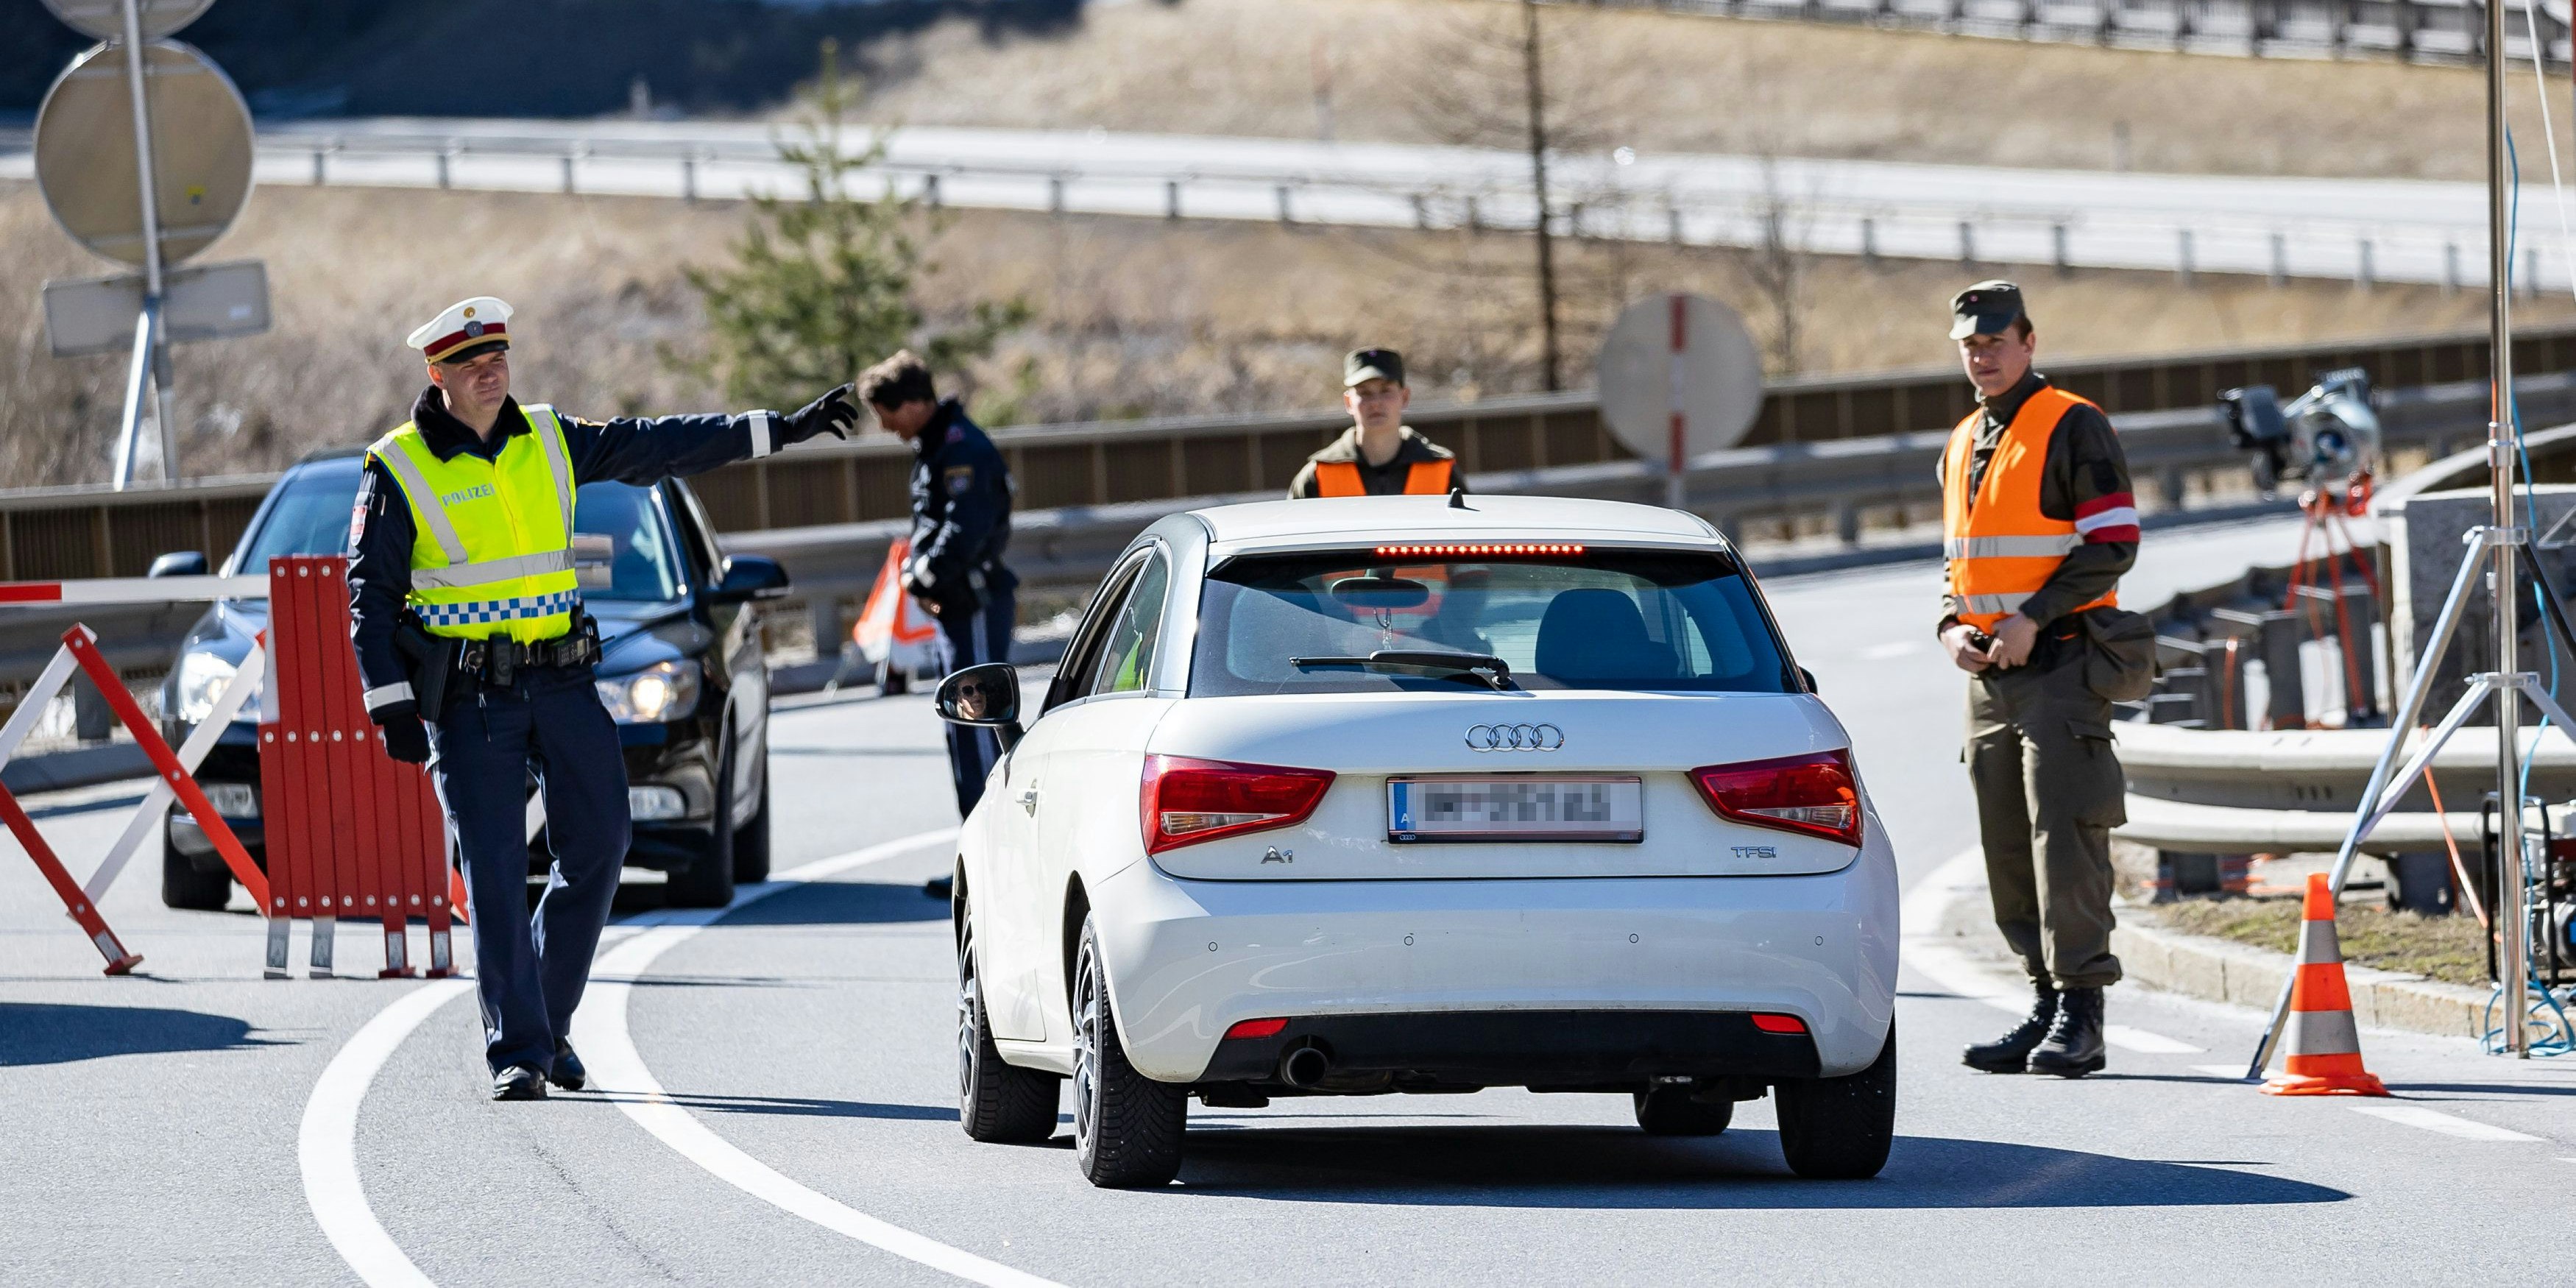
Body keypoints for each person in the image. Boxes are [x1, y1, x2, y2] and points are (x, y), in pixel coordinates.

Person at [349, 296, 856, 1101]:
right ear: (436, 373)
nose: (491, 374)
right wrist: (391, 706)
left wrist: (778, 428)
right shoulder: (398, 465)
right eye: (473, 365)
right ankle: (518, 1050)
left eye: (500, 359)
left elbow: (661, 444)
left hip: (562, 680)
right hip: (471, 699)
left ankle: (547, 1025)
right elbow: (370, 599)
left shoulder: (548, 436)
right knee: (492, 870)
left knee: (601, 845)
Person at [1935, 281, 2139, 1080]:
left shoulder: (2071, 424)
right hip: (1987, 670)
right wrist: (1949, 623)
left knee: (2067, 839)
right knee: (2006, 844)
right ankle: (2043, 1003)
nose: (1980, 356)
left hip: (2060, 659)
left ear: (2027, 342)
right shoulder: (1960, 439)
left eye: (1994, 341)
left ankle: (2082, 1014)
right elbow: (1957, 560)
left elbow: (2113, 542)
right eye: (1968, 345)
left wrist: (2032, 616)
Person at [858, 350, 1016, 818]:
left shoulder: (959, 449)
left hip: (975, 603)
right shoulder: (936, 448)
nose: (886, 428)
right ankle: (972, 858)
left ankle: (998, 855)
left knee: (982, 724)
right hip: (955, 606)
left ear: (910, 404)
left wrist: (919, 577)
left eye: (885, 416)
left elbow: (965, 530)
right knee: (960, 726)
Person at [1287, 347, 1465, 498]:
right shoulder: (1318, 475)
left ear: (1404, 397)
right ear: (1349, 402)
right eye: (1365, 393)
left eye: (1385, 391)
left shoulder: (1441, 469)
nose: (1375, 403)